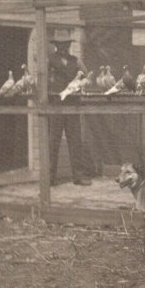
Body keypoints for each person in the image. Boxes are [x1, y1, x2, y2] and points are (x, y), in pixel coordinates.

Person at [47, 28, 91, 186]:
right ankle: (50, 178)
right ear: (56, 45)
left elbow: (86, 75)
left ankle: (78, 177)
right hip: (56, 105)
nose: (63, 47)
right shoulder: (49, 60)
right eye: (60, 44)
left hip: (72, 105)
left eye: (66, 44)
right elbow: (42, 79)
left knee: (75, 140)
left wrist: (79, 85)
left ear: (68, 45)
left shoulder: (76, 60)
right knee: (53, 141)